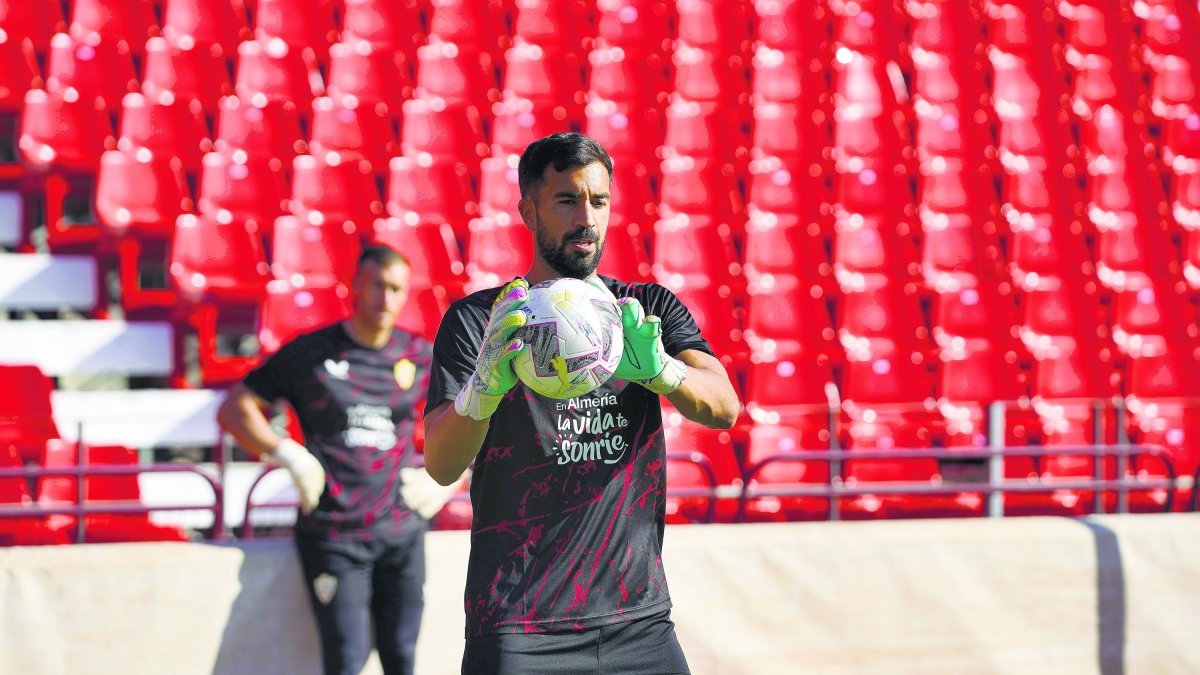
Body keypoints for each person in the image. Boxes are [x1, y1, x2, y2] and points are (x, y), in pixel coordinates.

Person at [422, 132, 742, 674]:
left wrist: (664, 372)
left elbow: (724, 406)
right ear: (529, 211)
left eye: (599, 200)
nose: (586, 218)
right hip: (517, 625)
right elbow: (440, 464)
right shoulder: (482, 321)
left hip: (636, 622)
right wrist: (483, 390)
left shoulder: (647, 308)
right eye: (567, 200)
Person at [217, 244, 459, 675]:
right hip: (334, 534)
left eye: (396, 289)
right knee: (345, 660)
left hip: (401, 532)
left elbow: (474, 417)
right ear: (355, 287)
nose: (385, 299)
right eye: (376, 286)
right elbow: (234, 409)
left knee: (402, 658)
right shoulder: (309, 354)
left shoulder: (421, 356)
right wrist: (285, 453)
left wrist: (449, 480)